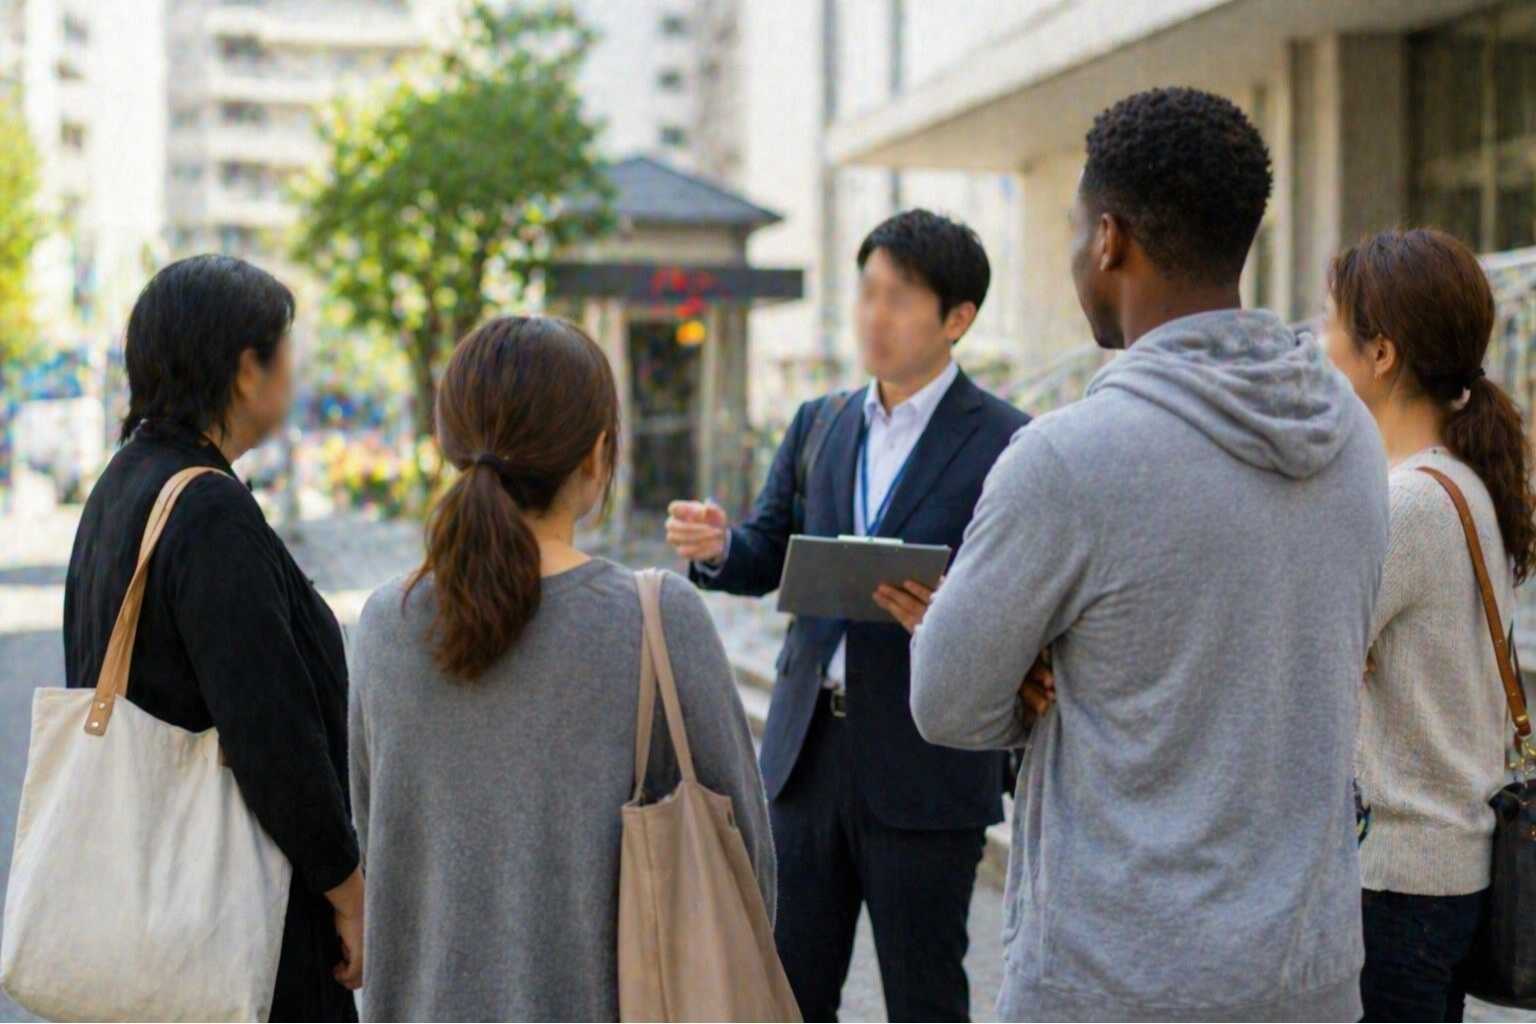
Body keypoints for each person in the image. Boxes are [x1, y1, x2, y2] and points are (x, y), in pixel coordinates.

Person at [909, 87, 1390, 1021]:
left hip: (1115, 982)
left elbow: (944, 697)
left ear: (1110, 240)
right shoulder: (1352, 434)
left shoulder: (1067, 459)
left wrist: (1040, 677)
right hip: (1309, 978)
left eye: (1073, 228)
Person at [348, 315, 773, 1022]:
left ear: (452, 444)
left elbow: (380, 838)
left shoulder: (383, 628)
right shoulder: (655, 620)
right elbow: (746, 869)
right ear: (600, 454)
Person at [667, 209, 1029, 1021]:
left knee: (924, 996)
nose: (876, 315)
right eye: (868, 292)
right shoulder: (820, 423)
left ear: (957, 318)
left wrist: (953, 613)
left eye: (900, 297)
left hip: (928, 762)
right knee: (789, 990)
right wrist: (721, 546)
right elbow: (768, 551)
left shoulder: (1009, 442)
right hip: (807, 759)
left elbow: (1025, 601)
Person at [62, 255, 364, 1021]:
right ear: (245, 370)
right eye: (285, 351)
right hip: (241, 925)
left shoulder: (121, 484)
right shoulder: (209, 512)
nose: (294, 372)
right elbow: (273, 735)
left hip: (149, 906)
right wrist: (349, 892)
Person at [1322, 228, 1534, 1022]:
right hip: (1440, 873)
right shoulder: (1457, 480)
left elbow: (1304, 653)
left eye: (1332, 323)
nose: (1320, 345)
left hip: (1397, 882)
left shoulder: (1406, 503)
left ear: (1381, 353)